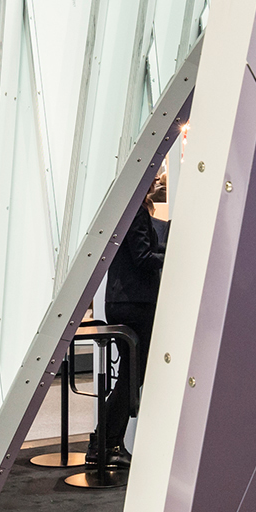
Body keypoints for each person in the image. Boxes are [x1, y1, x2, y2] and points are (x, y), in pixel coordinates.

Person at [87, 167, 168, 473]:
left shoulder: (132, 210)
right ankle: (105, 444)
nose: (158, 179)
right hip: (133, 303)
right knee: (132, 377)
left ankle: (107, 443)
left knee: (130, 377)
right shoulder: (136, 212)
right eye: (155, 173)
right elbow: (143, 258)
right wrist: (173, 258)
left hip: (125, 302)